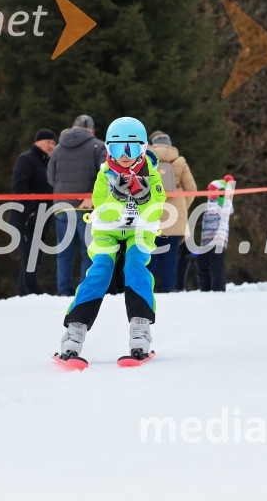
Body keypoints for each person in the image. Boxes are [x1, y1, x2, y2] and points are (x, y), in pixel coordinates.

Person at [57, 117, 166, 361]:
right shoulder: (105, 175)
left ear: (143, 149)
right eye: (117, 149)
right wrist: (117, 196)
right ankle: (75, 329)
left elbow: (156, 211)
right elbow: (102, 210)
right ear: (108, 149)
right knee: (100, 269)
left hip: (140, 230)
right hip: (107, 230)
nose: (124, 156)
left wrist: (145, 198)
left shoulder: (152, 174)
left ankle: (140, 326)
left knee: (135, 265)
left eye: (131, 148)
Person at [47, 114, 107, 296]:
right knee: (89, 251)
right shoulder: (99, 146)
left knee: (64, 252)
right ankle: (84, 290)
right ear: (92, 130)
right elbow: (106, 176)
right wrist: (92, 195)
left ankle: (64, 291)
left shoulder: (58, 148)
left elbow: (51, 178)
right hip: (85, 207)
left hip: (61, 206)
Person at [146, 131, 197, 292]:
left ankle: (151, 287)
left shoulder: (146, 160)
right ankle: (168, 287)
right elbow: (192, 189)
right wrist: (183, 207)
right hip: (175, 214)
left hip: (152, 213)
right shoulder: (180, 161)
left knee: (151, 251)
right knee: (170, 253)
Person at [11, 128, 56, 295]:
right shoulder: (27, 159)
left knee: (34, 258)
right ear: (37, 142)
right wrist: (31, 210)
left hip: (42, 218)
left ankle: (24, 293)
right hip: (25, 217)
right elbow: (19, 187)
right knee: (29, 257)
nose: (51, 146)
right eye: (48, 142)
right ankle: (30, 293)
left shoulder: (47, 163)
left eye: (54, 143)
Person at [197, 175, 234, 292]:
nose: (209, 193)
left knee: (216, 266)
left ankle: (218, 289)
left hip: (218, 240)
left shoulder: (225, 204)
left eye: (211, 191)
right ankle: (205, 288)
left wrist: (225, 192)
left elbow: (228, 207)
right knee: (202, 265)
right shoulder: (209, 204)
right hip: (205, 241)